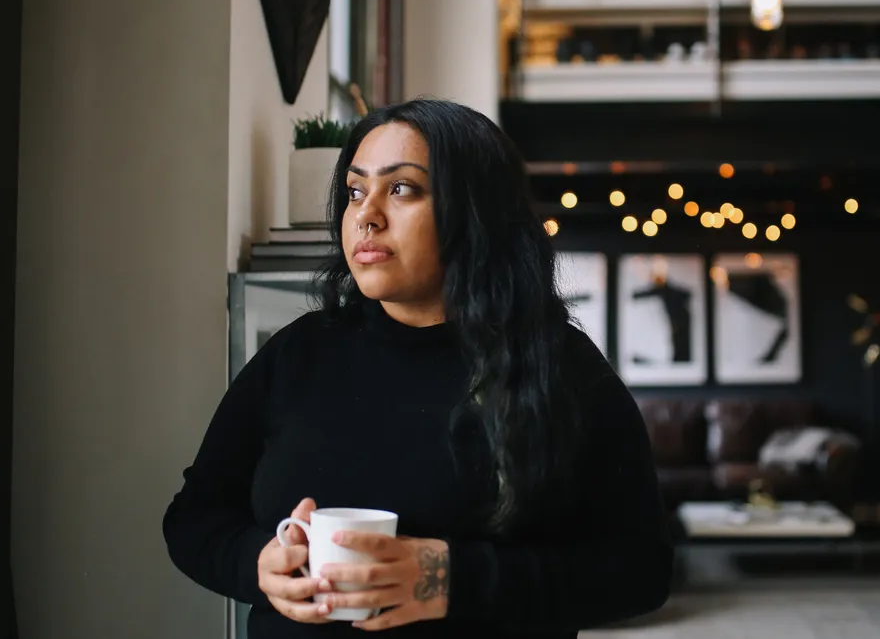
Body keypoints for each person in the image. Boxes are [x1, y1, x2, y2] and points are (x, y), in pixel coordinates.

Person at [163, 99, 674, 637]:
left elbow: (642, 570)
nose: (366, 214)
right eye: (356, 191)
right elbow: (194, 518)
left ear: (475, 212)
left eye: (402, 188)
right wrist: (259, 565)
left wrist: (452, 578)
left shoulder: (560, 367)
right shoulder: (296, 356)